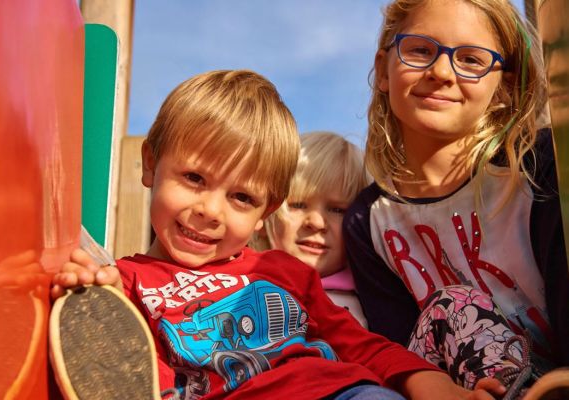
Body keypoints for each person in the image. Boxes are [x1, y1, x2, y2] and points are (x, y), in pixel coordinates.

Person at [51, 69, 506, 399]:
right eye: (193, 178)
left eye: (241, 199)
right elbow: (129, 368)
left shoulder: (280, 271)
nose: (210, 211)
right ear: (151, 164)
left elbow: (356, 342)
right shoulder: (128, 280)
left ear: (267, 210)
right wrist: (93, 294)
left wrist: (427, 381)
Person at [343, 0, 569, 392]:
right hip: (456, 387)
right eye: (419, 50)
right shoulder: (369, 220)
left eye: (471, 60)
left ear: (505, 89)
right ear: (383, 70)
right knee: (454, 305)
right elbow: (398, 350)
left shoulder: (541, 167)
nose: (441, 72)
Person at [263, 131, 368, 327]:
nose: (317, 222)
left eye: (337, 210)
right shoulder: (237, 286)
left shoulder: (373, 304)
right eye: (298, 205)